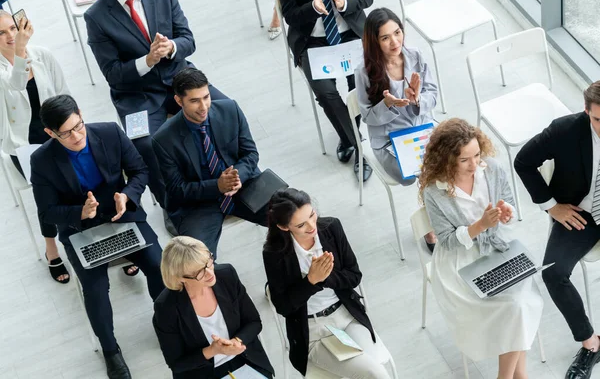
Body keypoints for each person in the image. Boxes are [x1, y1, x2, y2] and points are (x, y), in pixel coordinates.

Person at [30, 95, 164, 379]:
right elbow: (47, 211)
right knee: (95, 289)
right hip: (81, 228)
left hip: (121, 214)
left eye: (79, 126)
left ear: (81, 114)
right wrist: (80, 212)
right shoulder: (41, 160)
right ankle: (111, 350)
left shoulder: (109, 132)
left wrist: (127, 196)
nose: (77, 136)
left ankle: (167, 321)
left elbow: (140, 171)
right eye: (66, 133)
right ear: (50, 134)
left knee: (157, 263)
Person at [84, 0, 228, 235]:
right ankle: (172, 207)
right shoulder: (96, 16)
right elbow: (113, 74)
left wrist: (171, 47)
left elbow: (188, 40)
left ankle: (229, 183)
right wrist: (147, 60)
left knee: (225, 110)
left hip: (179, 77)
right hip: (136, 93)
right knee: (144, 145)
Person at [420, 118, 543, 379]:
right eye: (465, 160)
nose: (474, 165)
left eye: (477, 155)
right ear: (447, 159)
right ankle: (515, 376)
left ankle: (510, 377)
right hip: (460, 261)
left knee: (518, 304)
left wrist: (506, 212)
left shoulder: (493, 168)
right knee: (514, 307)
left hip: (500, 248)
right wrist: (480, 225)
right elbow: (448, 241)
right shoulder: (435, 191)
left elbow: (508, 201)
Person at [515, 81, 600, 378]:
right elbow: (523, 161)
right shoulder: (565, 130)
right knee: (553, 272)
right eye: (599, 119)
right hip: (581, 214)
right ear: (587, 112)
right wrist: (551, 205)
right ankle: (591, 344)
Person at [263, 188, 389, 378]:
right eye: (301, 225)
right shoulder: (275, 254)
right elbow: (284, 306)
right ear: (284, 227)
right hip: (314, 328)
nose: (312, 226)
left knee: (375, 371)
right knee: (375, 373)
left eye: (312, 215)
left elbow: (354, 275)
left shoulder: (331, 227)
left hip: (347, 315)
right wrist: (311, 281)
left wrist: (325, 277)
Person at [153, 68, 269, 257]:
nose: (204, 106)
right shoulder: (163, 139)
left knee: (292, 213)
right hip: (199, 203)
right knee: (196, 258)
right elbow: (177, 189)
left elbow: (250, 154)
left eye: (206, 97)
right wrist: (218, 186)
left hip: (242, 186)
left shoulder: (230, 109)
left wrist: (238, 176)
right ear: (178, 101)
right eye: (194, 101)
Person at [355, 7, 438, 251]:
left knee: (454, 157)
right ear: (374, 41)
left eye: (398, 32)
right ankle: (433, 225)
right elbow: (368, 117)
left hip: (421, 127)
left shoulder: (416, 56)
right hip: (389, 140)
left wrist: (416, 101)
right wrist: (387, 104)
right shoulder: (364, 72)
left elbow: (433, 95)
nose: (395, 42)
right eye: (385, 37)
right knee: (428, 171)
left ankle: (441, 217)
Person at [0, 11, 74, 283]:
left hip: (56, 131)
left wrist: (77, 128)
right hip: (23, 143)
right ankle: (52, 246)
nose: (10, 36)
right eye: (2, 33)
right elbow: (14, 83)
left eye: (13, 28)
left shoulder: (42, 54)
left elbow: (65, 94)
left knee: (86, 172)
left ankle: (96, 233)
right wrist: (20, 50)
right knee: (49, 188)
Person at [275, 0, 373, 182]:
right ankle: (357, 145)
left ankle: (347, 138)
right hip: (311, 39)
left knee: (360, 83)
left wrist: (344, 1)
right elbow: (290, 15)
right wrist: (312, 8)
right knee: (325, 92)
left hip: (351, 33)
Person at [153, 236, 275, 379]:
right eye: (199, 272)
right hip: (203, 371)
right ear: (180, 278)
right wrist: (213, 350)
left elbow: (254, 322)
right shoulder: (166, 307)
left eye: (208, 262)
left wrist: (236, 342)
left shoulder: (226, 274)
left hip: (245, 359)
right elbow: (177, 364)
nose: (210, 273)